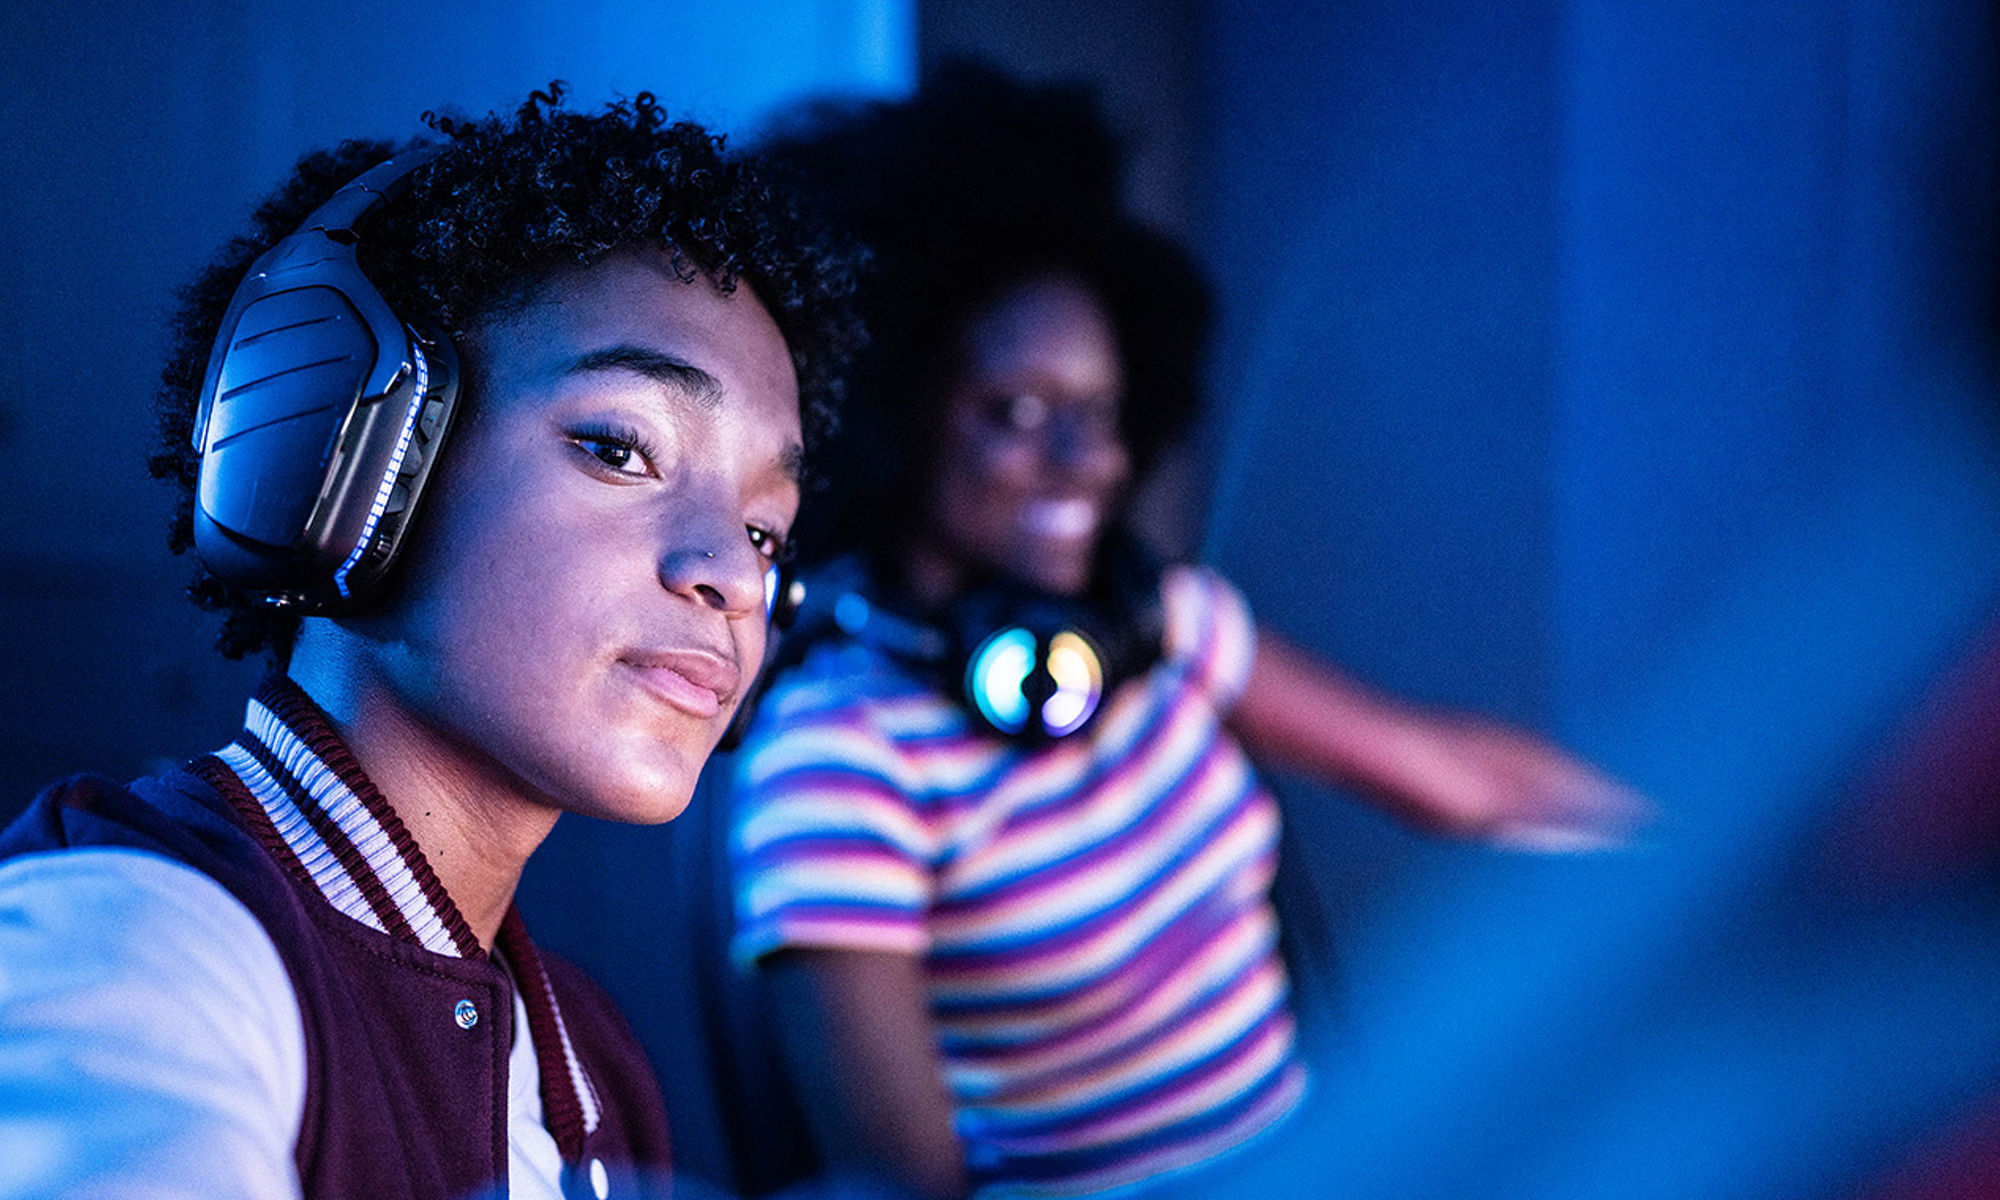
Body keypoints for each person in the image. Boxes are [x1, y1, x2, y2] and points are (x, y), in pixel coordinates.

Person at [723, 65, 1645, 1199]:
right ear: (890, 415)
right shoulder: (834, 761)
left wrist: (1725, 856)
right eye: (1016, 414)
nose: (1087, 463)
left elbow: (1448, 775)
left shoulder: (1157, 627)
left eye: (1100, 415)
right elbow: (907, 1188)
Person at [0, 88, 859, 1200]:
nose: (734, 574)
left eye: (762, 529)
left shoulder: (586, 1068)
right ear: (340, 460)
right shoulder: (131, 942)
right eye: (620, 447)